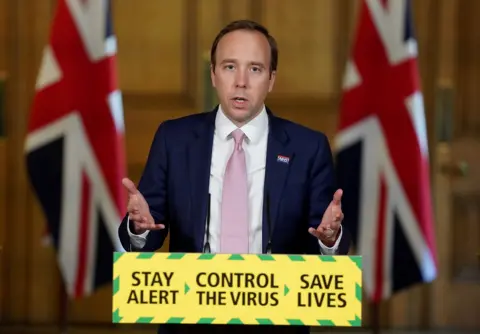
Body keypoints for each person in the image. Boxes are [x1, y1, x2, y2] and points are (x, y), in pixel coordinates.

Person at [118, 19, 351, 334]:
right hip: (190, 320)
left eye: (255, 69)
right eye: (229, 67)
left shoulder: (308, 147)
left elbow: (327, 239)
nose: (241, 81)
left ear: (271, 79)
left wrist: (329, 239)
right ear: (213, 74)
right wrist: (139, 228)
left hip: (276, 320)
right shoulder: (174, 139)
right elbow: (148, 235)